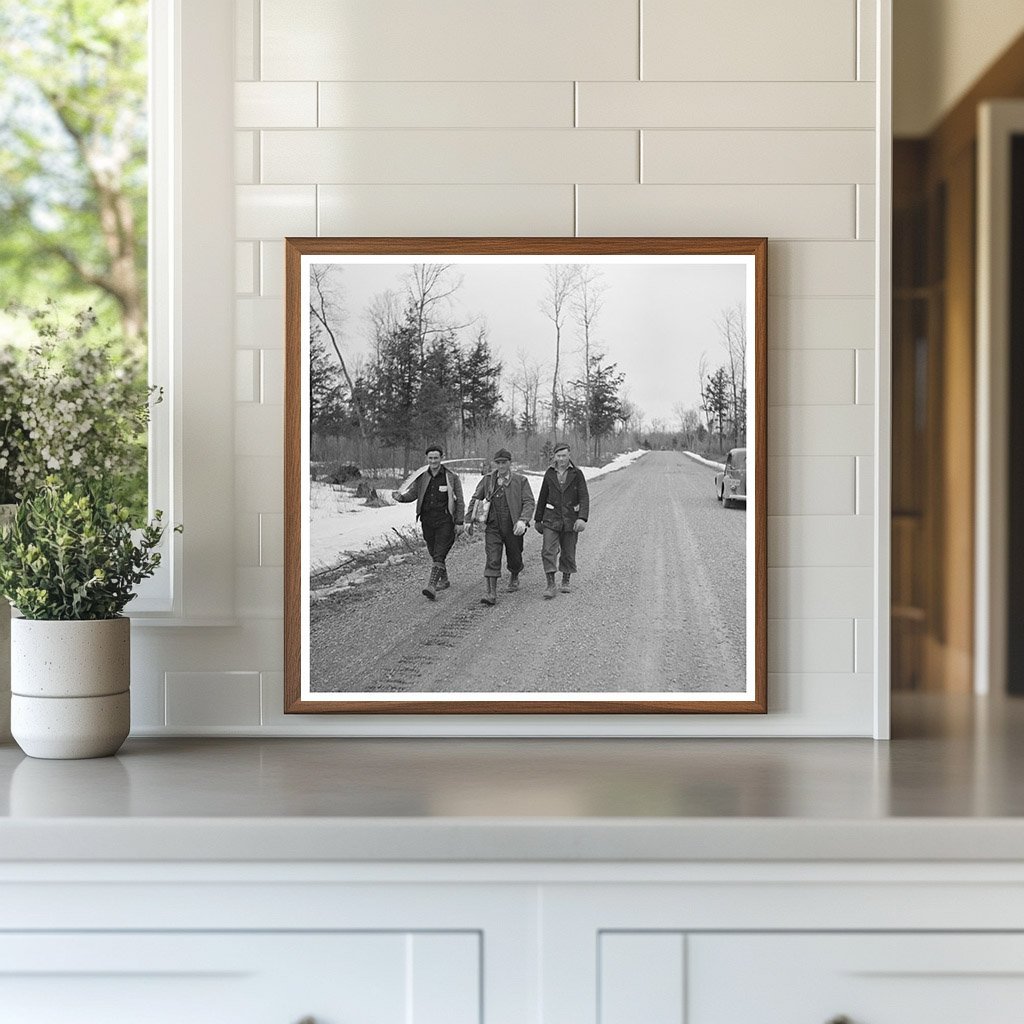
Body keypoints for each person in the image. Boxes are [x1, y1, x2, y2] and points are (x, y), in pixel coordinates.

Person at [391, 445, 465, 599]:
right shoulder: (422, 477)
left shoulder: (451, 477)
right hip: (427, 520)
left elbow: (460, 501)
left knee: (439, 552)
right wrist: (401, 498)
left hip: (445, 520)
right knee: (433, 551)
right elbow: (413, 494)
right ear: (427, 459)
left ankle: (432, 585)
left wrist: (459, 522)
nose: (433, 461)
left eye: (436, 458)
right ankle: (444, 580)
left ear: (441, 458)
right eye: (430, 458)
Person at [466, 448, 535, 606]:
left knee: (515, 556)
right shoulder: (487, 480)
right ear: (494, 464)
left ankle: (514, 575)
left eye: (504, 462)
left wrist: (523, 520)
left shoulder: (520, 480)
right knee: (492, 557)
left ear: (510, 463)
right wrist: (468, 519)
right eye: (498, 463)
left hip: (513, 525)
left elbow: (529, 502)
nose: (501, 466)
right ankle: (491, 593)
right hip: (493, 525)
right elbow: (476, 499)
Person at [534, 442, 589, 598]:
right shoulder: (550, 473)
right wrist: (538, 519)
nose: (561, 459)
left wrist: (582, 518)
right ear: (554, 456)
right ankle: (550, 584)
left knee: (568, 550)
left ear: (569, 455)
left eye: (564, 455)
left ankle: (566, 579)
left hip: (571, 518)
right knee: (548, 550)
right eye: (558, 456)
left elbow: (584, 497)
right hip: (551, 518)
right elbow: (543, 495)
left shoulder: (577, 474)